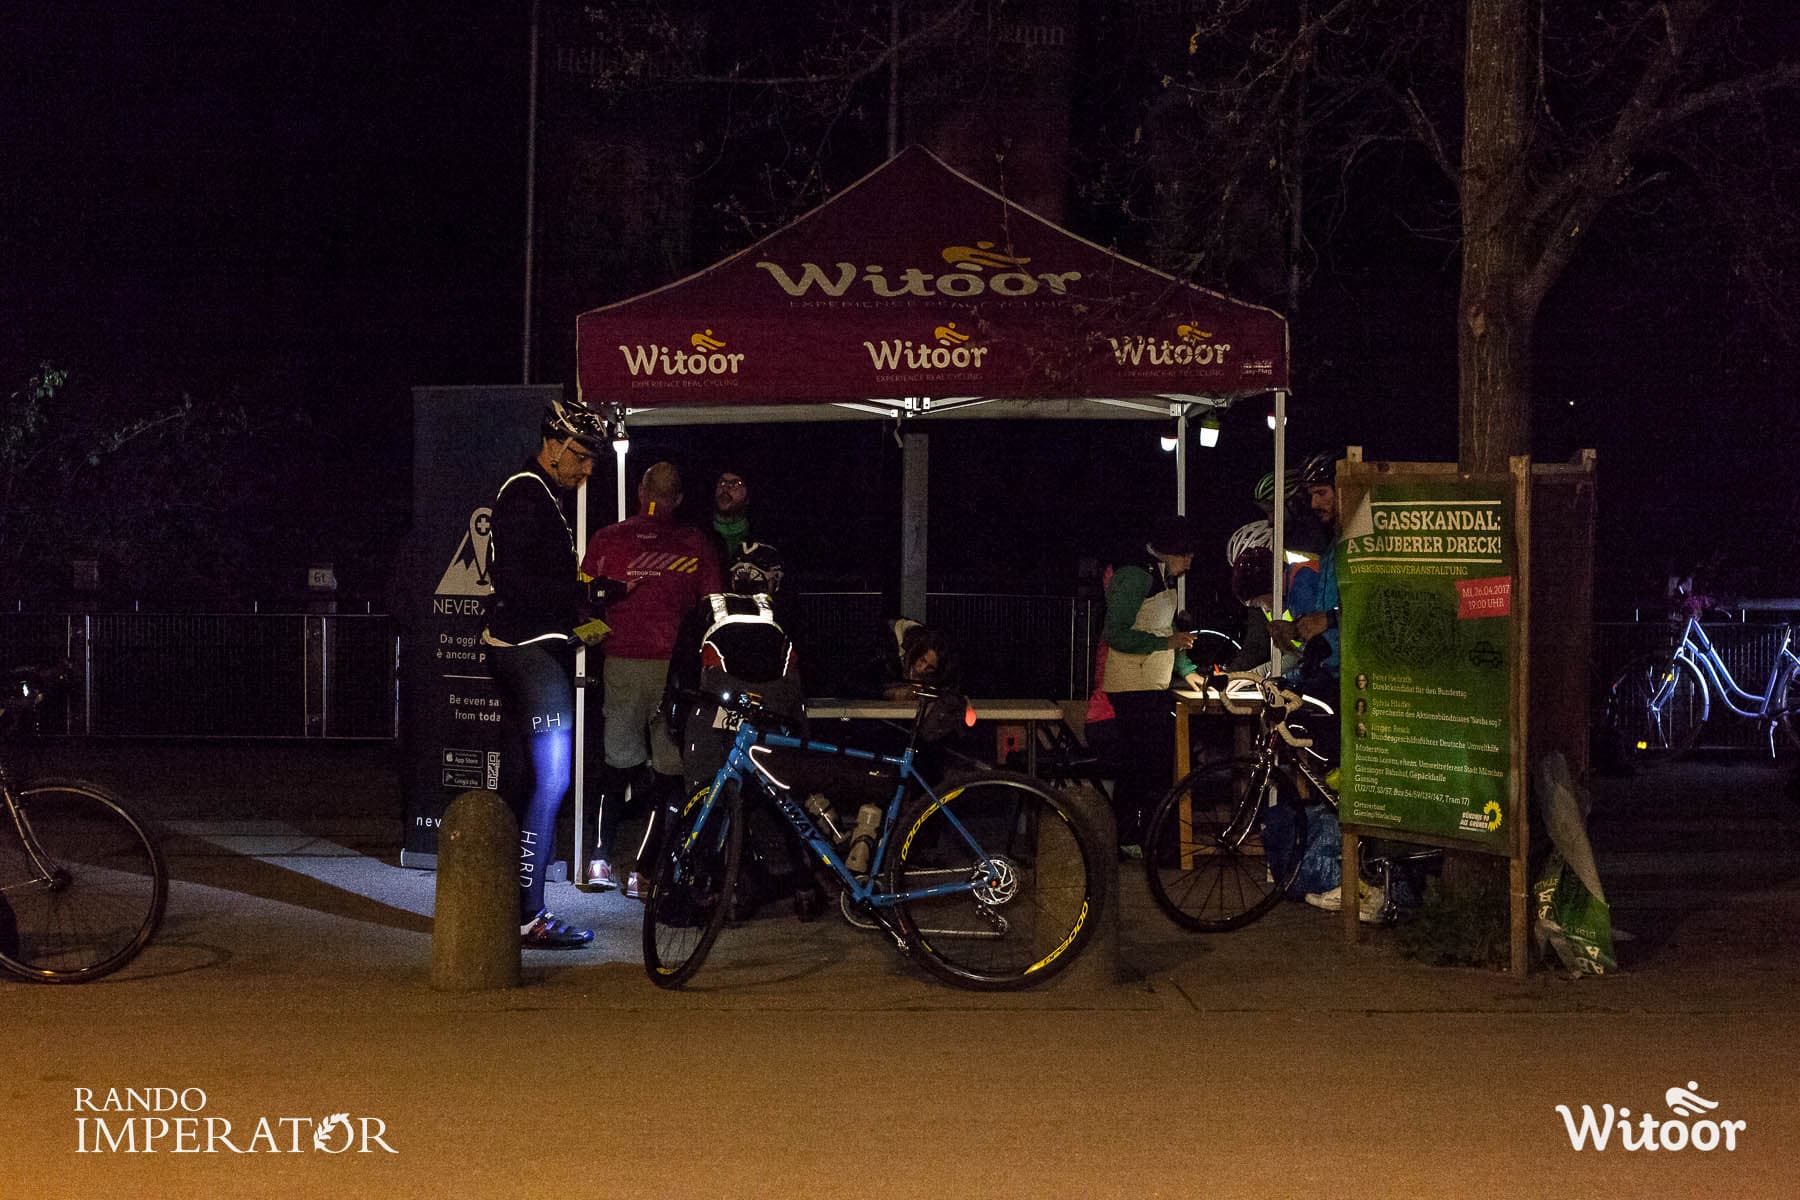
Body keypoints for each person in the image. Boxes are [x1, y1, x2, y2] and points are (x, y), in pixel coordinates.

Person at [480, 397, 608, 949]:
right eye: (581, 455)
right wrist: (577, 602)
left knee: (527, 780)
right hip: (528, 652)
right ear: (552, 445)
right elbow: (514, 583)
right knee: (551, 779)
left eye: (594, 459)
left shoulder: (540, 495)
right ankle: (529, 915)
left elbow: (536, 580)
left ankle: (508, 906)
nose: (588, 469)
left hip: (529, 647)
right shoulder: (525, 492)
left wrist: (588, 603)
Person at [580, 461, 721, 898]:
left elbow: (583, 599)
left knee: (615, 765)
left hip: (621, 663)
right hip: (674, 671)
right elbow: (713, 608)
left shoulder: (607, 539)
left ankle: (599, 859)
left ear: (640, 491)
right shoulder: (695, 544)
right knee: (669, 773)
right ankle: (645, 871)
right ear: (678, 498)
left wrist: (598, 635)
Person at [665, 541, 818, 921]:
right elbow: (803, 674)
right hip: (770, 717)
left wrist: (676, 716)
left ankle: (704, 888)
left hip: (712, 714)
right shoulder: (782, 610)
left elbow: (682, 669)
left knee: (707, 800)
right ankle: (803, 885)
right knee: (779, 799)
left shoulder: (707, 607)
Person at [1100, 515, 1202, 855]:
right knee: (1141, 767)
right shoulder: (1135, 576)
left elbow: (1166, 629)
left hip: (1150, 684)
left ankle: (1142, 839)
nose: (1189, 563)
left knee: (1149, 766)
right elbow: (1115, 634)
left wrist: (1187, 669)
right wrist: (1166, 644)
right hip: (1132, 687)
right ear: (1172, 550)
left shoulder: (1159, 575)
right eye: (1186, 555)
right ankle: (1131, 839)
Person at [860, 617, 958, 701]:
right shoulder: (884, 643)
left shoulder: (925, 640)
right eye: (922, 660)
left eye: (930, 667)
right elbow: (861, 684)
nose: (921, 669)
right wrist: (887, 693)